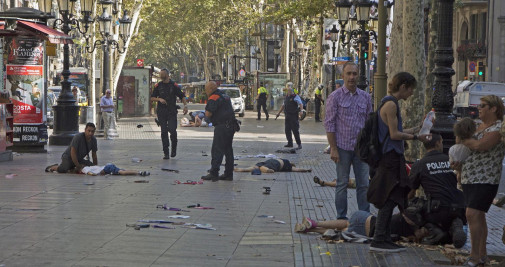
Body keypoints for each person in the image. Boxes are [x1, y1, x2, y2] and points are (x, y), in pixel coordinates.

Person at [367, 72, 430, 253]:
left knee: (392, 197)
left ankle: (384, 237)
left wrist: (417, 129)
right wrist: (417, 137)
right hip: (391, 158)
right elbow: (395, 135)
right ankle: (379, 238)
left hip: (391, 156)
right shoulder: (391, 105)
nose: (411, 93)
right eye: (410, 89)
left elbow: (394, 131)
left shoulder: (387, 102)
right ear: (402, 86)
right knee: (390, 198)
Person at [451, 95, 505, 266]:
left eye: (483, 105)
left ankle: (474, 257)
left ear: (494, 108)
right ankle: (483, 256)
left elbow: (480, 146)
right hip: (469, 177)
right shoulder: (476, 127)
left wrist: (463, 140)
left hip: (486, 178)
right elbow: (468, 150)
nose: (479, 108)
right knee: (479, 216)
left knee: (471, 214)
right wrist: (458, 163)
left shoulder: (498, 128)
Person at [323, 62, 373, 221]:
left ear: (358, 76)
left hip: (361, 149)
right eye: (349, 74)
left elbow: (369, 123)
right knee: (342, 183)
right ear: (343, 76)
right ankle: (341, 218)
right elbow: (329, 123)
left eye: (354, 74)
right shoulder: (335, 97)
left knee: (363, 184)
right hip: (342, 148)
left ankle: (364, 217)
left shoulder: (366, 97)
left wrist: (370, 146)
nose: (352, 77)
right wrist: (333, 148)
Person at [408, 134, 467, 248]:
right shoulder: (451, 160)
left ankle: (434, 231)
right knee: (449, 210)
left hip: (437, 209)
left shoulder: (420, 164)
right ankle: (455, 224)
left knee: (410, 207)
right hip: (458, 206)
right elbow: (460, 181)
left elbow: (410, 193)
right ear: (438, 143)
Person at [201, 81, 236, 182]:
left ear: (211, 89)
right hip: (231, 126)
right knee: (228, 150)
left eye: (206, 89)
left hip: (222, 127)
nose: (206, 91)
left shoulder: (213, 97)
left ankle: (214, 173)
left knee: (217, 150)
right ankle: (229, 174)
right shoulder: (225, 96)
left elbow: (208, 113)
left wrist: (205, 121)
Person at [150, 69, 188, 159]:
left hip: (171, 111)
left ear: (167, 75)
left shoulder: (173, 85)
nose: (160, 75)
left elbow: (182, 96)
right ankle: (166, 152)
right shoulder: (158, 85)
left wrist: (185, 106)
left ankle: (173, 149)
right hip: (161, 111)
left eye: (162, 74)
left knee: (172, 130)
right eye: (160, 74)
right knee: (164, 132)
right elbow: (152, 97)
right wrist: (159, 99)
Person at [276, 82, 303, 149]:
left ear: (292, 91)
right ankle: (290, 143)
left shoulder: (295, 96)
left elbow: (300, 104)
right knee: (287, 130)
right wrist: (278, 113)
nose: (288, 92)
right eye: (288, 91)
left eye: (289, 91)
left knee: (295, 130)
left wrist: (301, 111)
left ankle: (299, 144)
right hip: (287, 116)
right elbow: (283, 105)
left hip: (294, 116)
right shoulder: (286, 97)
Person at [234, 158, 311, 173]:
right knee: (262, 168)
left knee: (256, 167)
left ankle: (242, 169)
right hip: (276, 164)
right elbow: (298, 169)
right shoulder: (288, 166)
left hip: (270, 160)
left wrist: (306, 170)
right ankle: (267, 170)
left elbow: (297, 169)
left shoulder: (284, 160)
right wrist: (306, 170)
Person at [82, 163, 150, 176]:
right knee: (124, 171)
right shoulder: (90, 167)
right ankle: (138, 172)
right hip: (108, 167)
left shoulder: (84, 169)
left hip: (107, 168)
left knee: (123, 173)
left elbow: (90, 174)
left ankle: (140, 172)